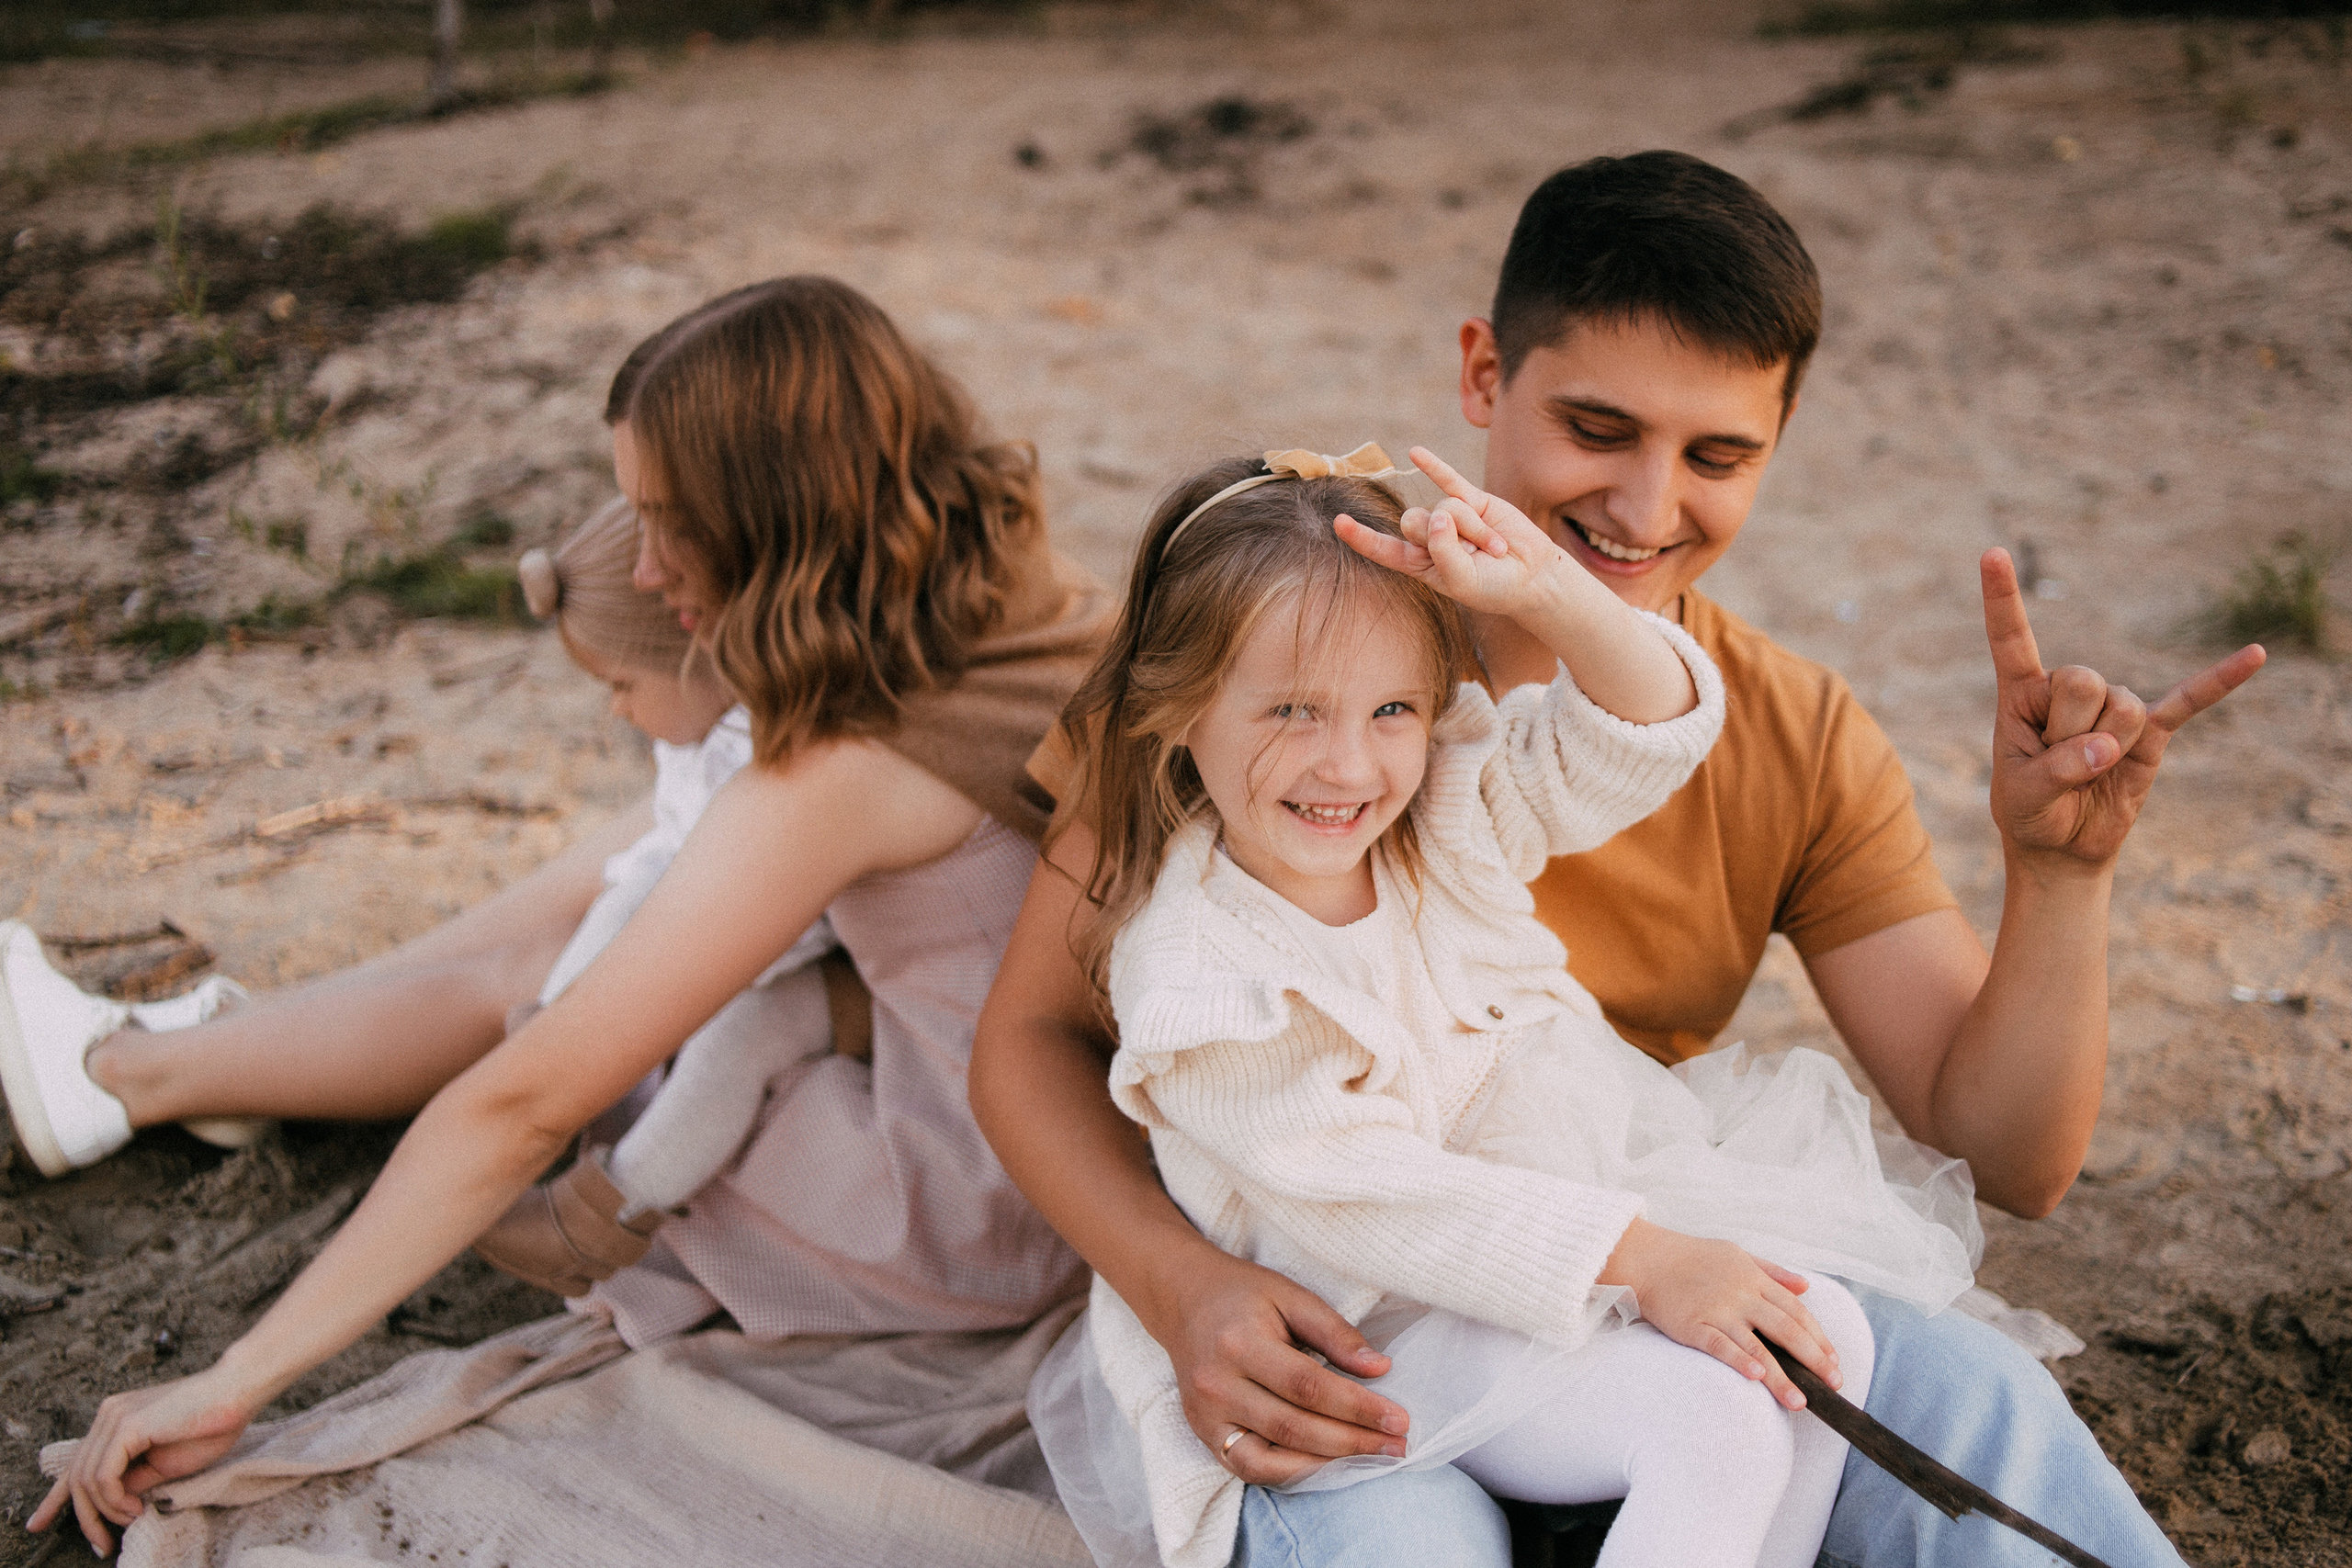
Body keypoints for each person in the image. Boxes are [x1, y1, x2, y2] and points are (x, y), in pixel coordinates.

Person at [970, 152, 2265, 1567]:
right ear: (1484, 374)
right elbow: (1034, 1035)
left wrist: (2061, 876)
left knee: (1958, 1394)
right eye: (1599, 428)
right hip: (1334, 1317)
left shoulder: (1747, 737)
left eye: (1718, 456)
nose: (1647, 507)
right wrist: (1177, 1284)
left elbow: (2013, 1155)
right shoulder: (1258, 654)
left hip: (1622, 1260)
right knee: (1408, 1541)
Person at [25, 274, 1106, 1556]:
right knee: (618, 878)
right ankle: (198, 1052)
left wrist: (236, 1377)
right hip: (1047, 1142)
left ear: (770, 515)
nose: (644, 568)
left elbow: (527, 1103)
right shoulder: (1021, 604)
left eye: (667, 521)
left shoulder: (848, 770)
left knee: (550, 1006)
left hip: (962, 1208)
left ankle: (151, 1068)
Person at [1029, 444, 1995, 1568]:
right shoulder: (1198, 971)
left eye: (1391, 708)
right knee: (1715, 1421)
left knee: (1819, 1342)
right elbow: (1372, 1196)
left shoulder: (1439, 813)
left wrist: (1553, 596)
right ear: (1178, 708)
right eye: (1292, 710)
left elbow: (1638, 737)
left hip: (1547, 1244)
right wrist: (1646, 1257)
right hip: (1372, 1326)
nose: (1348, 765)